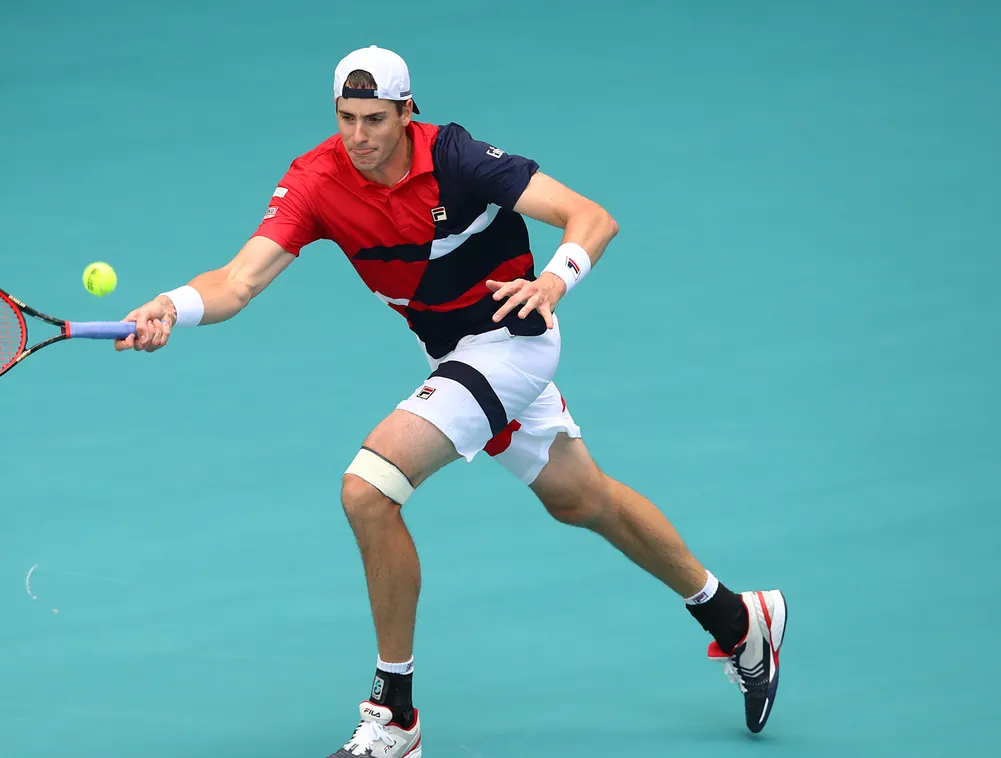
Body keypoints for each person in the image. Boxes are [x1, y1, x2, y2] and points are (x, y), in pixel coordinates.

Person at [115, 44, 788, 757]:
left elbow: (590, 217)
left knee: (368, 490)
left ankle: (394, 715)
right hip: (451, 353)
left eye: (375, 119)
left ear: (409, 113)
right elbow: (239, 280)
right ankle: (737, 618)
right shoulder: (315, 180)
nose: (359, 136)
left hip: (511, 341)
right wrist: (171, 306)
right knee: (579, 498)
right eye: (346, 118)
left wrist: (554, 281)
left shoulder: (460, 160)